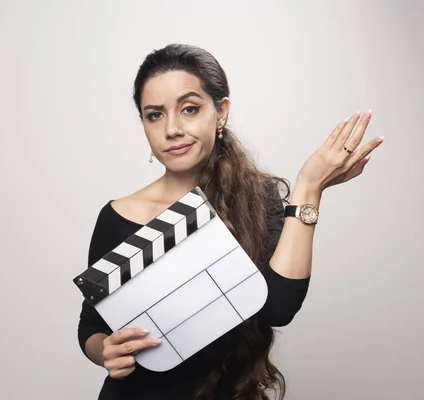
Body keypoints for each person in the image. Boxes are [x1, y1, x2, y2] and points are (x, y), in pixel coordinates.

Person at [77, 43, 384, 400]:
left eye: (189, 109)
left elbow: (278, 307)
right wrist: (105, 351)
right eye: (155, 115)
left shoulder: (256, 200)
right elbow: (93, 325)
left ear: (220, 111)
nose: (172, 128)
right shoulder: (117, 215)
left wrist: (309, 186)